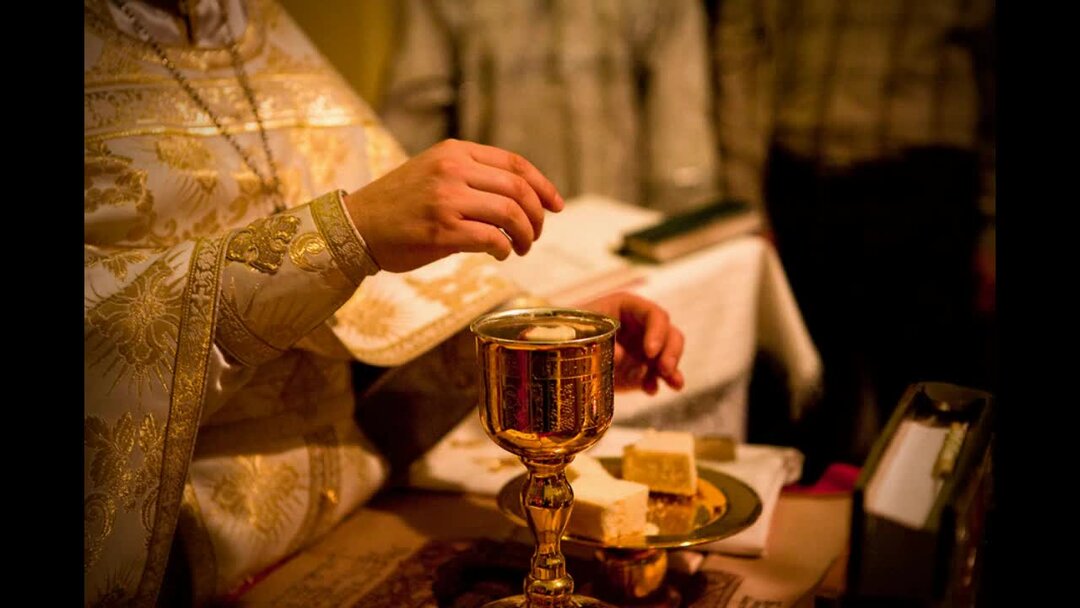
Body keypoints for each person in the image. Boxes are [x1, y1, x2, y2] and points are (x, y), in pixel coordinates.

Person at [83, 1, 686, 604]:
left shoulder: (255, 26)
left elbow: (386, 288)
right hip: (185, 561)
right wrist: (346, 233)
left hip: (362, 515)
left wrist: (538, 343)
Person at [710, 0, 996, 477]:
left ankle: (915, 546)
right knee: (802, 412)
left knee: (930, 424)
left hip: (925, 186)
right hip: (800, 181)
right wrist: (746, 202)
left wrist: (991, 227)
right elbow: (741, 44)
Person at [379, 0, 721, 213]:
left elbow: (679, 118)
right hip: (495, 234)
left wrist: (680, 226)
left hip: (625, 225)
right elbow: (414, 113)